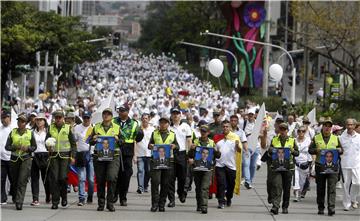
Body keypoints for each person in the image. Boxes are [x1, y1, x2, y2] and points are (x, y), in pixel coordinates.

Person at [308, 117, 343, 216]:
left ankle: (331, 208)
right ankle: (321, 207)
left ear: (331, 128)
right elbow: (310, 150)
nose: (327, 128)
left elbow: (341, 150)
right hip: (320, 166)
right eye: (325, 126)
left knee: (332, 188)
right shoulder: (316, 137)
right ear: (322, 127)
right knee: (320, 188)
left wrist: (340, 150)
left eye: (329, 126)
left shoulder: (336, 138)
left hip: (333, 167)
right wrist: (316, 151)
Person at [89, 108, 121, 212]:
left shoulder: (117, 127)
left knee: (112, 178)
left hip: (113, 157)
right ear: (102, 116)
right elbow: (88, 141)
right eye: (104, 114)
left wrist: (118, 139)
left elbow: (123, 141)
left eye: (108, 114)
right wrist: (93, 139)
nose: (106, 116)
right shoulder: (96, 127)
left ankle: (110, 202)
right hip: (99, 157)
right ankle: (101, 203)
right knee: (100, 180)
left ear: (112, 116)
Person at [112, 104, 144, 207]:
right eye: (119, 110)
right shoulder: (113, 121)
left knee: (126, 175)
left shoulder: (134, 123)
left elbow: (138, 138)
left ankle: (123, 197)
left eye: (123, 111)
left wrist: (140, 132)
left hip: (127, 151)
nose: (120, 112)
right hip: (115, 149)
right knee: (115, 175)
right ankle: (114, 194)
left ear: (127, 111)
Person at [46, 110, 77, 210]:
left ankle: (64, 197)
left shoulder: (68, 128)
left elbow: (73, 144)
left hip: (65, 156)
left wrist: (73, 156)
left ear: (63, 118)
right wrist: (48, 147)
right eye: (56, 117)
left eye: (60, 117)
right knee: (54, 179)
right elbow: (46, 142)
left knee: (63, 178)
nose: (58, 119)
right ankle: (55, 202)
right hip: (54, 156)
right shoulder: (50, 128)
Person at [5, 114, 37, 210]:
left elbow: (34, 147)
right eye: (19, 121)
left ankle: (19, 202)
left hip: (26, 159)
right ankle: (15, 197)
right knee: (14, 181)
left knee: (22, 181)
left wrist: (28, 148)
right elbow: (7, 147)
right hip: (14, 159)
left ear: (26, 123)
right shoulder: (13, 132)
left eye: (22, 122)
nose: (20, 123)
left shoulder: (30, 133)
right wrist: (15, 147)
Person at [148, 117, 179, 212]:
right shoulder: (154, 133)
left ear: (168, 124)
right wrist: (151, 146)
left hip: (168, 162)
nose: (163, 124)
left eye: (165, 123)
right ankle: (154, 204)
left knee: (165, 184)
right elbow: (149, 145)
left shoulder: (172, 135)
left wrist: (174, 146)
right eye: (161, 122)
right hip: (156, 161)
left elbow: (178, 146)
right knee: (155, 182)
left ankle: (162, 204)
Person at [188, 125, 221, 214]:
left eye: (205, 132)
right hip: (197, 168)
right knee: (198, 188)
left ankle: (204, 206)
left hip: (208, 169)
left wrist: (216, 150)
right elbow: (190, 155)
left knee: (204, 188)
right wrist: (191, 149)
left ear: (208, 133)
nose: (203, 133)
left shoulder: (211, 142)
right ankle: (199, 204)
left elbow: (218, 156)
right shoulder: (196, 141)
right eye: (202, 131)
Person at [268, 123, 299, 215]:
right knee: (277, 186)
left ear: (287, 130)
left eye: (284, 129)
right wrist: (270, 150)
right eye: (281, 129)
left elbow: (297, 153)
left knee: (286, 188)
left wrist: (292, 151)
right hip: (277, 167)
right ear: (279, 130)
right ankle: (276, 206)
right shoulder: (274, 140)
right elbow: (270, 151)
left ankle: (285, 206)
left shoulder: (292, 140)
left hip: (288, 167)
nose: (282, 131)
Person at [167, 107, 192, 207]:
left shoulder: (185, 126)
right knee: (170, 178)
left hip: (182, 154)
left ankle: (181, 192)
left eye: (177, 113)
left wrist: (190, 155)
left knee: (182, 177)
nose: (175, 115)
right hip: (171, 155)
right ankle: (171, 200)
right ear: (171, 115)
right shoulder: (168, 127)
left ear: (180, 115)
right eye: (173, 113)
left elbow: (189, 141)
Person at [215, 120, 242, 209]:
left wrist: (237, 145)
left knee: (231, 184)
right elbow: (215, 151)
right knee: (221, 183)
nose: (225, 128)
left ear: (230, 128)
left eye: (227, 126)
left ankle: (229, 197)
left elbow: (239, 151)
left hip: (231, 165)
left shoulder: (235, 138)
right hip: (220, 165)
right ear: (222, 128)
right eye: (224, 126)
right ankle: (221, 201)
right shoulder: (218, 138)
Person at [73, 111, 94, 206]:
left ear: (90, 118)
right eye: (84, 118)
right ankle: (81, 198)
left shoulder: (94, 128)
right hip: (80, 155)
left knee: (90, 179)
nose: (86, 119)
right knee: (81, 178)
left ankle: (90, 195)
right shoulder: (77, 128)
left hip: (91, 156)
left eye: (88, 118)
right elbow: (74, 141)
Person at [339, 118, 360, 211]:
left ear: (355, 126)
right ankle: (346, 204)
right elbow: (338, 150)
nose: (350, 126)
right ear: (346, 125)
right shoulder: (341, 137)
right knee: (345, 185)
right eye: (348, 124)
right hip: (345, 164)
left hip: (357, 164)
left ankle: (353, 199)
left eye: (351, 125)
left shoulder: (359, 137)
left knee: (358, 183)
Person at [31, 113, 51, 206]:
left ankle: (48, 195)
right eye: (37, 120)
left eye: (41, 120)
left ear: (44, 121)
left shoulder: (48, 131)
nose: (39, 121)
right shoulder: (31, 131)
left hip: (45, 156)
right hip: (34, 156)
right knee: (34, 179)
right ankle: (35, 199)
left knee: (46, 178)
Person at [135, 113, 154, 194]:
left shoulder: (153, 129)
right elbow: (134, 142)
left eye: (146, 118)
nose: (144, 120)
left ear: (149, 119)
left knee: (148, 171)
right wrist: (134, 154)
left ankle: (145, 185)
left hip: (149, 154)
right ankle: (140, 187)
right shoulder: (137, 129)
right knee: (140, 170)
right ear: (141, 119)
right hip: (140, 153)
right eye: (143, 118)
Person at [241, 109, 260, 189]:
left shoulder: (258, 123)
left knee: (252, 166)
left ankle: (250, 181)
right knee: (246, 164)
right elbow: (240, 133)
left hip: (256, 147)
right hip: (247, 147)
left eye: (252, 115)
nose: (251, 116)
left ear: (254, 115)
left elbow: (262, 133)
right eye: (249, 115)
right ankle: (247, 181)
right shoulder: (244, 123)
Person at [293, 126, 312, 202]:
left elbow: (310, 152)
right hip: (295, 162)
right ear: (297, 132)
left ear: (305, 132)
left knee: (302, 181)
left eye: (303, 131)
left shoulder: (308, 141)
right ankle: (296, 194)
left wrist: (310, 162)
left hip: (304, 163)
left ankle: (299, 191)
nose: (301, 133)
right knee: (296, 178)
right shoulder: (294, 140)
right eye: (299, 131)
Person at [0, 109, 15, 205]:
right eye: (2, 118)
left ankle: (14, 196)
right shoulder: (0, 128)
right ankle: (2, 197)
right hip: (1, 158)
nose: (3, 120)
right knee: (2, 179)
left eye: (5, 118)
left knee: (13, 179)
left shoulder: (13, 129)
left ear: (9, 118)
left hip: (11, 158)